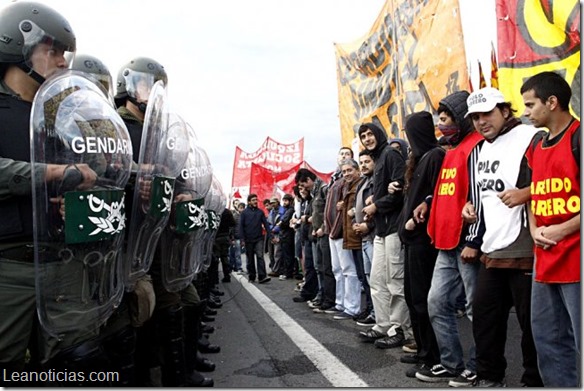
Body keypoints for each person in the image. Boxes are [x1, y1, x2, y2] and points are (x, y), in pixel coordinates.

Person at [0, 2, 102, 383]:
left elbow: (87, 173)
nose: (62, 62)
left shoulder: (58, 120)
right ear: (19, 48)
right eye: (53, 50)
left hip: (62, 262)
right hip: (9, 267)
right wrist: (54, 172)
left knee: (81, 361)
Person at [462, 87, 543, 387]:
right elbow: (480, 194)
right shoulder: (479, 150)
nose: (481, 122)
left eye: (487, 114)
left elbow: (553, 180)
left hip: (525, 245)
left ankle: (533, 380)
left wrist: (525, 192)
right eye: (475, 117)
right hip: (491, 247)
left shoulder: (530, 137)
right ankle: (489, 376)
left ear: (505, 111)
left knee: (530, 323)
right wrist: (469, 209)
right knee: (484, 318)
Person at [412, 91, 484, 386]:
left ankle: (480, 365)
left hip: (465, 242)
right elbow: (446, 188)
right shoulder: (451, 149)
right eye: (439, 119)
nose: (441, 124)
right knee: (437, 303)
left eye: (446, 118)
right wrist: (428, 201)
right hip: (445, 242)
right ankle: (451, 363)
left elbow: (479, 195)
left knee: (474, 308)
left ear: (463, 119)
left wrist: (473, 241)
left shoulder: (475, 147)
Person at [521, 71, 580, 387]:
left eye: (530, 105)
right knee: (547, 341)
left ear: (552, 102)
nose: (526, 112)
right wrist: (534, 229)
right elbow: (534, 193)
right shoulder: (536, 145)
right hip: (544, 260)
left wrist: (561, 230)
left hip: (576, 258)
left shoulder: (578, 137)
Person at [395, 112, 445, 378]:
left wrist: (422, 208)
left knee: (423, 299)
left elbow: (438, 192)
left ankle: (432, 356)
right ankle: (424, 349)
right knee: (413, 297)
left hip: (424, 240)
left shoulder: (435, 156)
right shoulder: (419, 159)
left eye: (410, 132)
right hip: (411, 240)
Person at [357, 122, 411, 349]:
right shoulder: (379, 158)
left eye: (370, 134)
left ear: (379, 134)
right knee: (377, 281)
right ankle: (383, 324)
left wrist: (376, 205)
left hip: (393, 229)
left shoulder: (391, 154)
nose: (368, 138)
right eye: (363, 136)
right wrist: (374, 200)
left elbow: (399, 192)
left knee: (395, 282)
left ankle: (401, 330)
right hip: (380, 230)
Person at [293, 168, 327, 304]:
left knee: (320, 267)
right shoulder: (312, 196)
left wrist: (318, 225)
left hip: (318, 234)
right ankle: (313, 293)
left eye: (303, 185)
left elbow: (324, 212)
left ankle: (322, 295)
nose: (302, 189)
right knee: (312, 266)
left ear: (308, 180)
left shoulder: (323, 190)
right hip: (310, 235)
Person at [351, 150, 376, 325]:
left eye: (367, 161)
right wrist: (355, 222)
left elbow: (380, 208)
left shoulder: (376, 182)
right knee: (369, 279)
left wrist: (368, 226)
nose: (364, 164)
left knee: (378, 281)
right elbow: (356, 208)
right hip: (364, 238)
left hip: (374, 236)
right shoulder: (363, 183)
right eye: (362, 162)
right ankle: (373, 312)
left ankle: (381, 317)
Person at [240, 193, 272, 283]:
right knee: (250, 259)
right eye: (253, 200)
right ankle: (252, 276)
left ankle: (262, 276)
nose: (255, 202)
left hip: (259, 239)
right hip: (248, 239)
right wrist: (242, 239)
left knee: (260, 256)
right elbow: (241, 227)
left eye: (256, 200)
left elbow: (266, 224)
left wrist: (270, 235)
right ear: (249, 202)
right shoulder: (244, 213)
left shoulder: (260, 212)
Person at [276, 193, 296, 280]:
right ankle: (287, 271)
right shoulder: (285, 209)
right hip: (284, 235)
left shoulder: (290, 210)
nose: (284, 202)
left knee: (288, 255)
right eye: (283, 200)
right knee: (285, 255)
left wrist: (280, 223)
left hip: (288, 235)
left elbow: (284, 221)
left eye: (286, 200)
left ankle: (288, 273)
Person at [230, 201, 245, 273]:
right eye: (240, 208)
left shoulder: (244, 216)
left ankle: (237, 267)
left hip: (242, 237)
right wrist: (232, 238)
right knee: (237, 254)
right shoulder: (235, 216)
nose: (242, 209)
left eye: (243, 208)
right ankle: (238, 267)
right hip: (236, 237)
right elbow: (232, 228)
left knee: (239, 253)